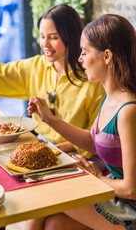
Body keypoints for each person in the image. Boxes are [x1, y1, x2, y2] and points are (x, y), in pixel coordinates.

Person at [26, 14, 136, 230]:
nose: (79, 59)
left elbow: (132, 188)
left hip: (130, 210)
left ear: (106, 56)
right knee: (54, 225)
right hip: (115, 198)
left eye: (84, 53)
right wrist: (48, 119)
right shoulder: (110, 98)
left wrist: (94, 177)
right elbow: (94, 142)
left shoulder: (128, 111)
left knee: (46, 193)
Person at [0, 4, 105, 170]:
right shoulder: (36, 66)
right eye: (42, 36)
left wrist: (51, 150)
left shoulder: (93, 80)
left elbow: (95, 141)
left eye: (53, 37)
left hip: (80, 156)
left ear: (71, 37)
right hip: (41, 146)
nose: (45, 44)